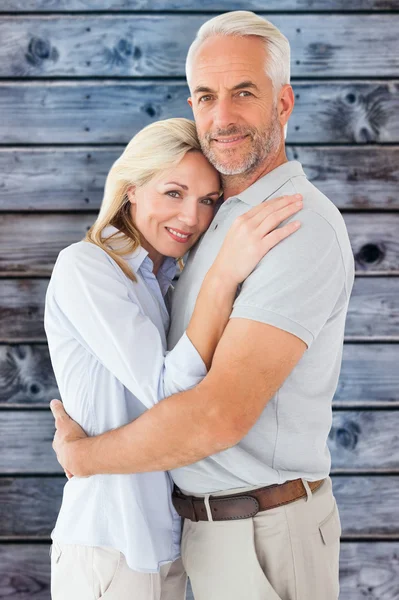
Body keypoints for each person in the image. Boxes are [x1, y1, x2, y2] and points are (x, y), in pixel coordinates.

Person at [50, 10, 355, 600]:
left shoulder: (295, 225)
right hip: (193, 532)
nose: (222, 117)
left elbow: (217, 415)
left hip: (264, 531)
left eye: (245, 92)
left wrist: (84, 458)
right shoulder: (212, 226)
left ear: (284, 103)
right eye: (205, 96)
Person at [45, 116, 302, 600]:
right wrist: (223, 275)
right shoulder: (86, 268)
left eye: (208, 201)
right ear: (131, 189)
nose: (191, 217)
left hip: (168, 546)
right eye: (173, 193)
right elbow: (170, 393)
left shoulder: (162, 287)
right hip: (110, 545)